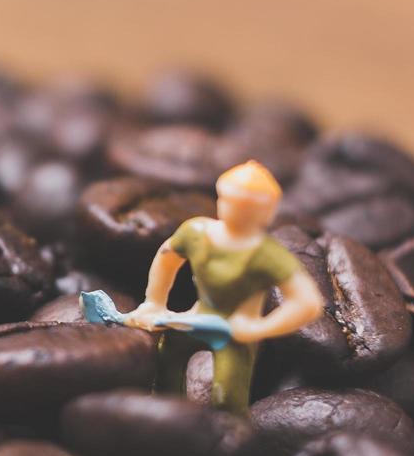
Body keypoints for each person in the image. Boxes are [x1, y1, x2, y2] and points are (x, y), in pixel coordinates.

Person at [101, 160, 325, 415]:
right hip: (196, 318)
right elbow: (167, 255)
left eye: (247, 207)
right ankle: (167, 419)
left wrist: (259, 327)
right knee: (168, 360)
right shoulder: (198, 231)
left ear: (266, 213)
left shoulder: (266, 253)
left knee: (228, 400)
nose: (234, 210)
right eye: (228, 200)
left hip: (234, 335)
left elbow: (307, 303)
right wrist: (153, 302)